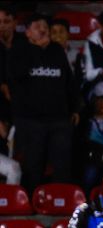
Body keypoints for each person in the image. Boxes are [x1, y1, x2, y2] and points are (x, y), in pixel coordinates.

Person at [8, 14, 79, 193]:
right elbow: (15, 77)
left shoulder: (57, 50)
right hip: (30, 120)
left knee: (62, 164)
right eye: (37, 26)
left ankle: (60, 200)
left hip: (59, 120)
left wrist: (75, 107)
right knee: (33, 166)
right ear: (28, 32)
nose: (43, 29)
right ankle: (34, 201)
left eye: (45, 26)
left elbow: (69, 82)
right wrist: (36, 51)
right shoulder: (19, 50)